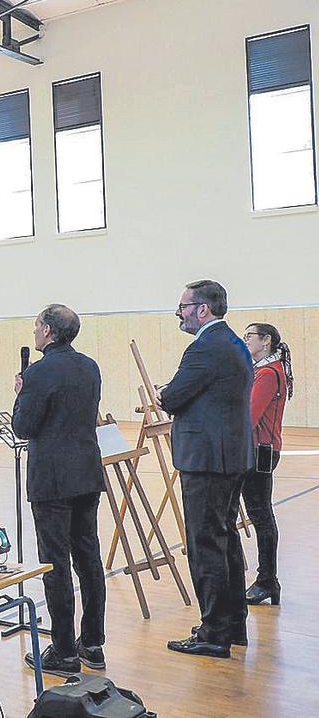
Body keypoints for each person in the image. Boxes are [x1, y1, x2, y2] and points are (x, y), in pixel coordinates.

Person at [157, 280, 254, 659]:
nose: (178, 313)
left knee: (205, 545)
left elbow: (173, 396)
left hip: (207, 461)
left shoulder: (204, 348)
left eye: (182, 306)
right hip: (229, 457)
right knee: (225, 539)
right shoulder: (232, 343)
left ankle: (214, 633)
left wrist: (165, 393)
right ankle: (232, 624)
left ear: (203, 309)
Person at [12, 304, 107, 677]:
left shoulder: (38, 373)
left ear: (48, 331)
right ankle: (94, 643)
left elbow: (24, 426)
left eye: (37, 326)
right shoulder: (90, 366)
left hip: (52, 480)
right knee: (89, 559)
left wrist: (21, 393)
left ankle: (65, 651)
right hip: (86, 473)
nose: (34, 331)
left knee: (56, 564)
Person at [241, 322, 293, 607]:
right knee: (260, 514)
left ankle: (267, 580)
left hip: (260, 452)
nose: (245, 340)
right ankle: (266, 580)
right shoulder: (263, 370)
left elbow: (249, 416)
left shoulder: (267, 374)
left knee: (260, 515)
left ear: (267, 340)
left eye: (250, 336)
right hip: (259, 450)